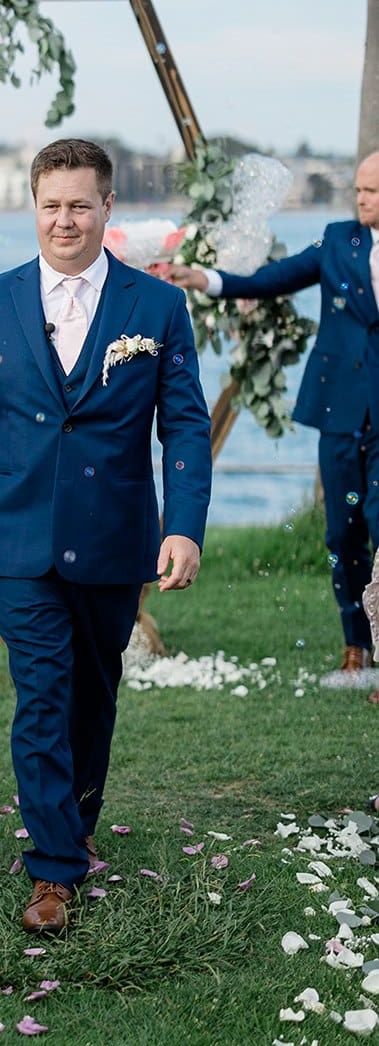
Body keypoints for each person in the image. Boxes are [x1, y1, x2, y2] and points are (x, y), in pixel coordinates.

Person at [0, 138, 212, 934]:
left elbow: (182, 424)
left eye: (79, 205)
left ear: (106, 208)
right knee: (41, 693)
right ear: (32, 208)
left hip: (115, 538)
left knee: (92, 695)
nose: (64, 220)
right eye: (50, 205)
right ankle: (52, 871)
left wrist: (182, 527)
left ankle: (74, 823)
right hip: (19, 542)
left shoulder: (155, 306)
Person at [168, 151, 379, 677]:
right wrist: (206, 279)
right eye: (358, 189)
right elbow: (274, 279)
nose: (361, 199)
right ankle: (356, 643)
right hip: (340, 411)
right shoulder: (338, 240)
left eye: (371, 191)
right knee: (342, 533)